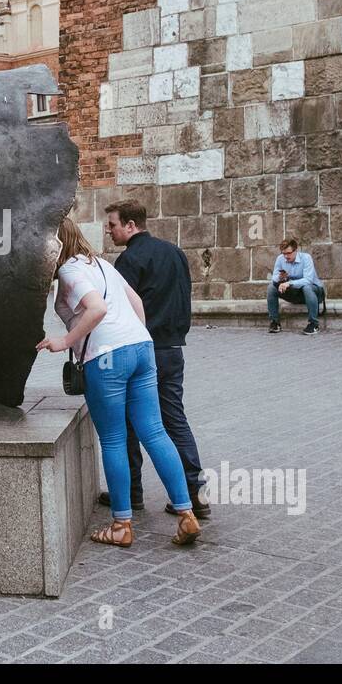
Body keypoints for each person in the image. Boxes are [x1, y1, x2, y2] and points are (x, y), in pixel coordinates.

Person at [37, 217, 202, 548]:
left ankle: (121, 525)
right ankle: (187, 515)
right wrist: (133, 339)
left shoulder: (70, 271)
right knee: (155, 432)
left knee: (113, 440)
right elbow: (137, 304)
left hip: (106, 357)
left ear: (55, 244)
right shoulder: (102, 264)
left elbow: (95, 309)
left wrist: (66, 341)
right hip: (142, 348)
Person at [97, 199, 209, 519]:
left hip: (142, 350)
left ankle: (132, 493)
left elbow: (118, 312)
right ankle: (194, 493)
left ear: (131, 226)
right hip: (173, 350)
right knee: (175, 420)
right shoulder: (174, 252)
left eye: (113, 225)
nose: (109, 231)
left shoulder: (129, 261)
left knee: (129, 422)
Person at [267, 238, 324, 335]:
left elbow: (308, 280)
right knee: (271, 288)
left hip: (314, 292)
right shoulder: (280, 259)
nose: (285, 256)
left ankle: (314, 324)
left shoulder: (306, 258)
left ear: (295, 250)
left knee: (307, 287)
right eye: (283, 253)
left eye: (288, 253)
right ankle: (275, 322)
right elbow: (274, 278)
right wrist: (281, 279)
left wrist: (289, 283)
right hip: (295, 293)